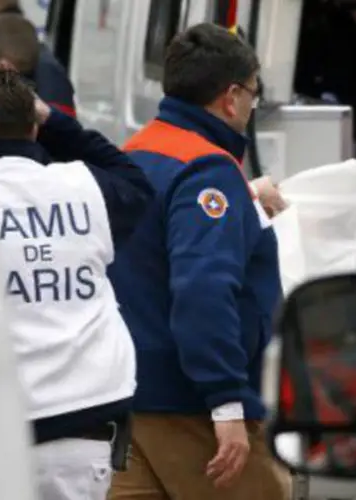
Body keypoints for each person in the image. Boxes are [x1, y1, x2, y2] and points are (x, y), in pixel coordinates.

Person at [107, 23, 291, 500]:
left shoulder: (133, 154)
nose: (254, 105)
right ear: (231, 97)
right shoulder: (207, 169)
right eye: (255, 93)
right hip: (192, 408)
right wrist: (227, 402)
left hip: (128, 402)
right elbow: (202, 291)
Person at [0, 68, 153, 500]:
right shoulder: (85, 187)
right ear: (34, 126)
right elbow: (131, 177)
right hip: (84, 426)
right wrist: (55, 121)